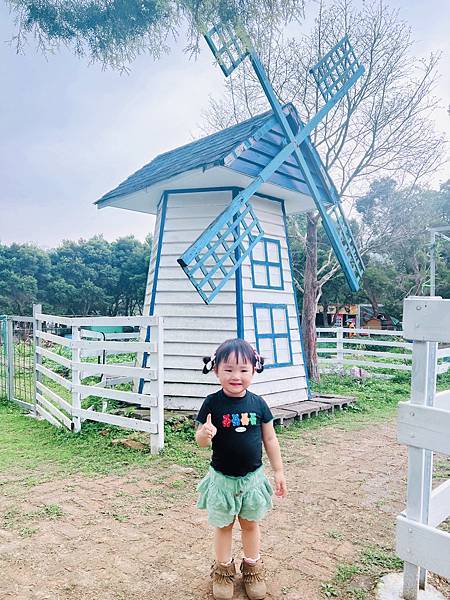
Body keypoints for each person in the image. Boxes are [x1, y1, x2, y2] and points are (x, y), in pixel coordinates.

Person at [195, 338, 287, 600]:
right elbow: (199, 441)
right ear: (216, 370)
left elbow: (270, 439)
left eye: (244, 370)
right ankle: (223, 571)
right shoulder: (212, 403)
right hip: (222, 480)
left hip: (252, 481)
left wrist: (278, 471)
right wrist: (205, 433)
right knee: (223, 526)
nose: (236, 376)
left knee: (250, 524)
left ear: (254, 370)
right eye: (229, 369)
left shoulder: (258, 404)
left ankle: (252, 568)